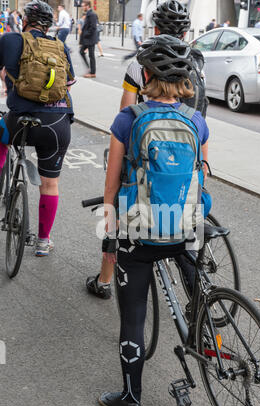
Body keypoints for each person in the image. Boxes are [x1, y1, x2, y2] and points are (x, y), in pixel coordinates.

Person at [97, 35, 209, 406]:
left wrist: (108, 234)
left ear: (144, 74)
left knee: (133, 317)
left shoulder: (127, 120)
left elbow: (111, 187)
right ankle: (206, 329)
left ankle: (131, 397)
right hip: (184, 229)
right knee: (193, 270)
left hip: (140, 234)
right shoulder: (196, 121)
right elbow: (202, 180)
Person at [86, 0, 210, 300]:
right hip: (191, 144)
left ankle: (105, 279)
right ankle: (202, 306)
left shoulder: (141, 62)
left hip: (148, 150)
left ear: (155, 28)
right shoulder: (195, 60)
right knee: (183, 219)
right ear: (185, 31)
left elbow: (126, 110)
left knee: (118, 196)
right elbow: (202, 108)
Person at [0, 0, 76, 257]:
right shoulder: (60, 46)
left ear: (24, 21)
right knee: (50, 183)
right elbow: (70, 82)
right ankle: (43, 241)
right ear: (48, 25)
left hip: (19, 120)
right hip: (56, 123)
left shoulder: (10, 40)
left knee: (1, 138)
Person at [79, 0, 98, 78]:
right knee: (81, 52)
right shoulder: (88, 14)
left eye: (83, 6)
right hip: (87, 39)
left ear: (87, 6)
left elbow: (93, 27)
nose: (82, 7)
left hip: (90, 39)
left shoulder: (92, 14)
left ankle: (92, 72)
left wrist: (86, 34)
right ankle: (89, 68)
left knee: (91, 55)